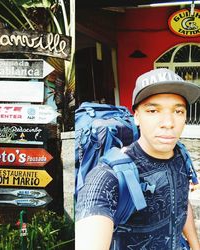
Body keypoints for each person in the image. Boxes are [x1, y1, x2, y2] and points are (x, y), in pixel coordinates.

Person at [75, 68, 200, 250]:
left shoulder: (180, 154)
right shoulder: (109, 177)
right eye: (153, 111)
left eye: (178, 111)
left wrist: (195, 245)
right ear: (137, 117)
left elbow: (181, 201)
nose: (168, 123)